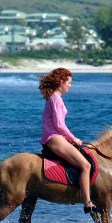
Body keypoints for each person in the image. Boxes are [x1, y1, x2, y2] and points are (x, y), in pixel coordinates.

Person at [39, 67, 95, 212]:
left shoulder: (54, 98)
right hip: (55, 138)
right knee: (86, 166)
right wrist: (73, 138)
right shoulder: (56, 99)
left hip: (57, 137)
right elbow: (59, 124)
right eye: (69, 82)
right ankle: (87, 202)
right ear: (61, 82)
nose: (70, 85)